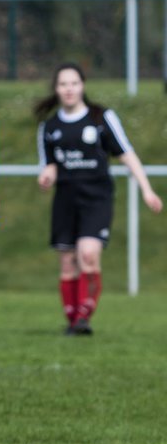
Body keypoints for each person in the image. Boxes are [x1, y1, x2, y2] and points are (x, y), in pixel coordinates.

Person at [34, 63, 163, 335]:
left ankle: (83, 319)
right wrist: (46, 175)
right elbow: (48, 165)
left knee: (88, 253)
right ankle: (72, 320)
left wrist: (146, 189)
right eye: (63, 84)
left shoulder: (100, 118)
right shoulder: (50, 127)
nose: (69, 89)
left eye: (74, 83)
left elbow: (125, 153)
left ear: (82, 86)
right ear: (56, 89)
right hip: (66, 199)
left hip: (97, 197)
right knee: (67, 262)